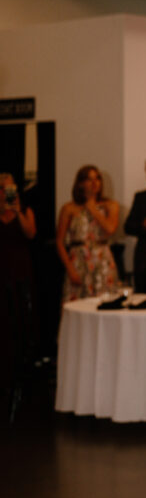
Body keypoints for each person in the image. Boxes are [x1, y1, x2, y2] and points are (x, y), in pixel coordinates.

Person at [56, 166, 119, 302]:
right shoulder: (69, 208)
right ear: (80, 183)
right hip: (78, 260)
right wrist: (70, 269)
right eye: (89, 179)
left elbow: (110, 229)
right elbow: (60, 242)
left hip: (102, 260)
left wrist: (93, 209)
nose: (94, 183)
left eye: (97, 178)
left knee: (105, 301)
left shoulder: (110, 205)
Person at [0, 174, 37, 408]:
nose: (6, 191)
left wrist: (18, 211)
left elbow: (30, 233)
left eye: (9, 187)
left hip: (20, 270)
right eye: (2, 187)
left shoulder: (26, 211)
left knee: (20, 322)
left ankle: (20, 375)